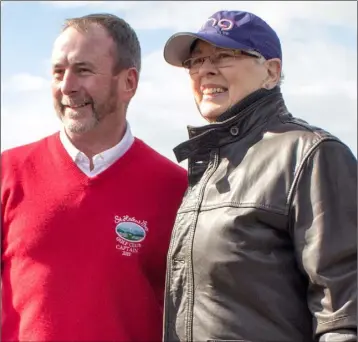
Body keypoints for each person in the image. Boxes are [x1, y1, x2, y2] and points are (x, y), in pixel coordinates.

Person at [162, 10, 357, 342]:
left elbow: (342, 315)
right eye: (195, 61)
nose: (205, 69)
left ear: (271, 71)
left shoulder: (310, 154)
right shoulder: (208, 166)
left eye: (224, 56)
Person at [1, 13, 187, 342]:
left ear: (128, 82)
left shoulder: (175, 188)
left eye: (83, 70)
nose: (67, 86)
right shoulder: (8, 171)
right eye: (58, 72)